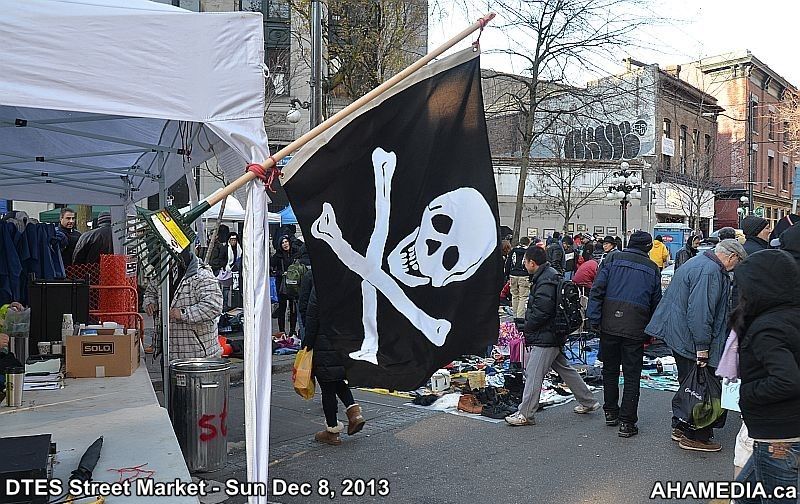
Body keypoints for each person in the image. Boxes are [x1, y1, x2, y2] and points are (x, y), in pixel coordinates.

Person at [645, 239, 747, 452]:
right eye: (738, 262)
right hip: (691, 338)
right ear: (732, 257)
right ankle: (696, 436)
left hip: (680, 334)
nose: (735, 268)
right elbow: (700, 313)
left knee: (689, 383)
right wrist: (702, 348)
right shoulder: (710, 272)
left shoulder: (701, 262)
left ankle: (681, 427)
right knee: (702, 387)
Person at [731, 249, 800, 501]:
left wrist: (747, 392)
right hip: (781, 431)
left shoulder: (768, 328)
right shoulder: (790, 315)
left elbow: (786, 380)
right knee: (744, 495)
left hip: (778, 436)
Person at [505, 246, 600, 426]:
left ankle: (525, 414)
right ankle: (588, 401)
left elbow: (542, 311)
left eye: (525, 261)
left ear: (532, 263)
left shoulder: (545, 281)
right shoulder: (549, 275)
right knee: (565, 369)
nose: (524, 265)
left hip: (546, 336)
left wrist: (527, 326)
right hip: (553, 333)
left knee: (533, 374)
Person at [587, 231, 662, 438]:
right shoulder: (652, 268)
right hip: (636, 326)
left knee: (610, 370)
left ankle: (611, 411)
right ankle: (627, 422)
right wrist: (651, 331)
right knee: (631, 375)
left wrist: (594, 318)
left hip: (610, 322)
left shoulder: (612, 259)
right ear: (648, 247)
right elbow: (656, 302)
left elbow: (597, 290)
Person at [303, 282, 366, 445]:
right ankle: (354, 413)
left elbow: (311, 318)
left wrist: (306, 345)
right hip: (344, 342)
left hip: (323, 341)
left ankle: (332, 432)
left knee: (327, 387)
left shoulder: (321, 284)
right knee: (337, 379)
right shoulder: (347, 281)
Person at [144, 249, 223, 360]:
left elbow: (213, 306)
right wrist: (150, 302)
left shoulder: (202, 276)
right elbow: (150, 292)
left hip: (198, 354)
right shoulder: (162, 275)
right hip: (169, 351)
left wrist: (183, 313)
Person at [272, 235, 299, 336]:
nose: (285, 244)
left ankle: (292, 330)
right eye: (283, 243)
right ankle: (282, 330)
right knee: (282, 308)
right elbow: (272, 269)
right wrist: (281, 273)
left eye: (286, 242)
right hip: (282, 285)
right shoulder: (277, 256)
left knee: (293, 309)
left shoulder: (295, 254)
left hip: (293, 285)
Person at [505, 237, 531, 321]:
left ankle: (515, 315)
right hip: (524, 275)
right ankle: (520, 317)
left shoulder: (513, 250)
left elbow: (508, 263)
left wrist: (507, 274)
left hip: (513, 275)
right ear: (528, 243)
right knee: (523, 297)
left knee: (514, 296)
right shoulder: (528, 252)